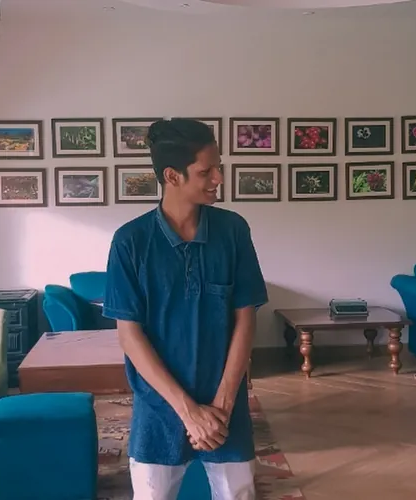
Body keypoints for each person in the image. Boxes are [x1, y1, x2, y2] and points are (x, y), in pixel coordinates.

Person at [103, 118, 268, 499]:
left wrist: (222, 405)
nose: (219, 178)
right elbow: (130, 336)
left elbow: (245, 320)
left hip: (225, 408)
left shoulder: (233, 231)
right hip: (158, 410)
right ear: (172, 176)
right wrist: (189, 411)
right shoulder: (130, 242)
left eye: (219, 168)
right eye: (206, 172)